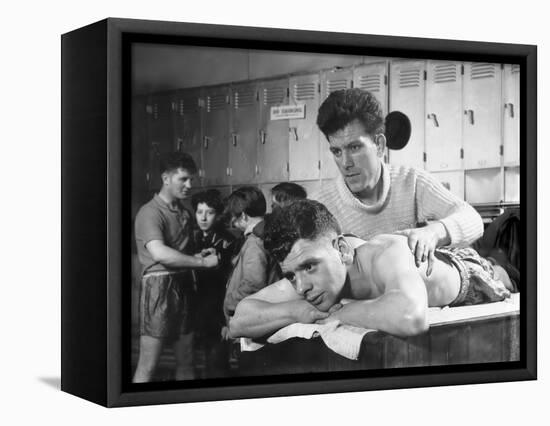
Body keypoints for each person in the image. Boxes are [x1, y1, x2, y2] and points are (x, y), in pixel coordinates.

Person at [229, 200, 510, 340]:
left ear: (341, 250)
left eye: (309, 267)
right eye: (291, 275)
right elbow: (240, 318)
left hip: (478, 275)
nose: (301, 287)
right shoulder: (308, 273)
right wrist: (297, 312)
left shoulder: (387, 253)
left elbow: (411, 317)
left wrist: (340, 312)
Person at [313, 88, 483, 276]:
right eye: (336, 151)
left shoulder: (411, 180)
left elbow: (473, 219)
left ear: (379, 145)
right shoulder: (318, 206)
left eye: (354, 147)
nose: (345, 163)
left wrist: (433, 233)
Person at [133, 152, 219, 383]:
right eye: (183, 179)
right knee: (148, 366)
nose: (189, 185)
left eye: (191, 179)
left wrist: (198, 254)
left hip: (183, 285)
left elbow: (181, 255)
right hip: (158, 289)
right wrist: (201, 262)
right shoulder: (149, 212)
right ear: (166, 178)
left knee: (187, 360)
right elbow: (160, 253)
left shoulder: (184, 213)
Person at [191, 189, 237, 378]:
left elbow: (230, 284)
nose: (203, 217)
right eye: (199, 212)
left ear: (218, 215)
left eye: (209, 213)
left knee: (217, 365)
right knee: (203, 363)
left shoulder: (228, 241)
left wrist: (226, 321)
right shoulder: (193, 239)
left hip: (219, 314)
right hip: (199, 312)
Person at [222, 186, 280, 323]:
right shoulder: (267, 232)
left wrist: (229, 303)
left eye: (234, 220)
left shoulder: (255, 243)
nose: (234, 225)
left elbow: (253, 285)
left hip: (253, 318)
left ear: (243, 216)